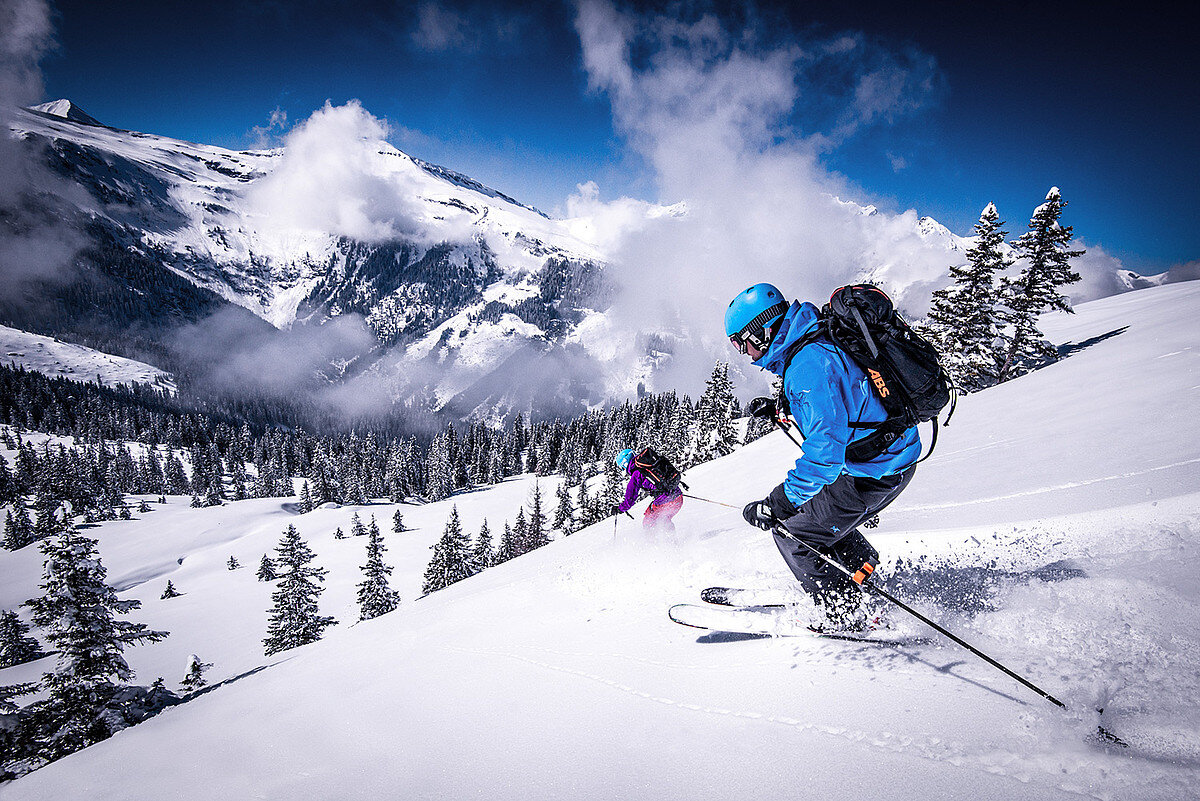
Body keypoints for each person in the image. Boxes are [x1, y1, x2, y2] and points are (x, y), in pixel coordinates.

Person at [724, 283, 921, 632]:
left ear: (764, 331)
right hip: (890, 458)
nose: (746, 353)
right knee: (818, 516)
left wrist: (778, 503)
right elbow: (845, 394)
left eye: (742, 342)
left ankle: (845, 614)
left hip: (872, 472)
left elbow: (825, 455)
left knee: (791, 533)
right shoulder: (816, 337)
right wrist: (785, 406)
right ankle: (866, 577)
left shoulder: (807, 366)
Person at [613, 448, 684, 532]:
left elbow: (630, 498)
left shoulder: (637, 473)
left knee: (649, 522)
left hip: (666, 502)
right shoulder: (650, 464)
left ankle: (652, 543)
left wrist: (620, 508)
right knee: (664, 520)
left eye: (622, 468)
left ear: (624, 464)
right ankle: (672, 542)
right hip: (678, 497)